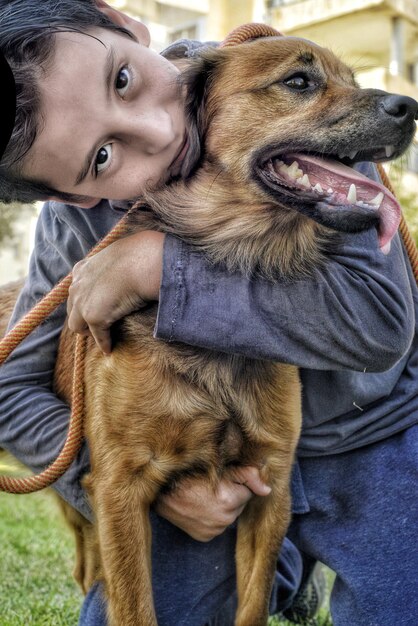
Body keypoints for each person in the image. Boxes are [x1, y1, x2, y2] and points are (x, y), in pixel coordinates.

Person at [0, 1, 415, 625]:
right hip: (204, 472)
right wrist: (144, 483)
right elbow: (12, 389)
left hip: (369, 436)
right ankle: (281, 572)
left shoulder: (307, 134)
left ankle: (289, 564)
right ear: (74, 190)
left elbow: (379, 321)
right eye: (104, 157)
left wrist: (156, 267)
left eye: (121, 78)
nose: (156, 131)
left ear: (119, 22)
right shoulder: (77, 221)